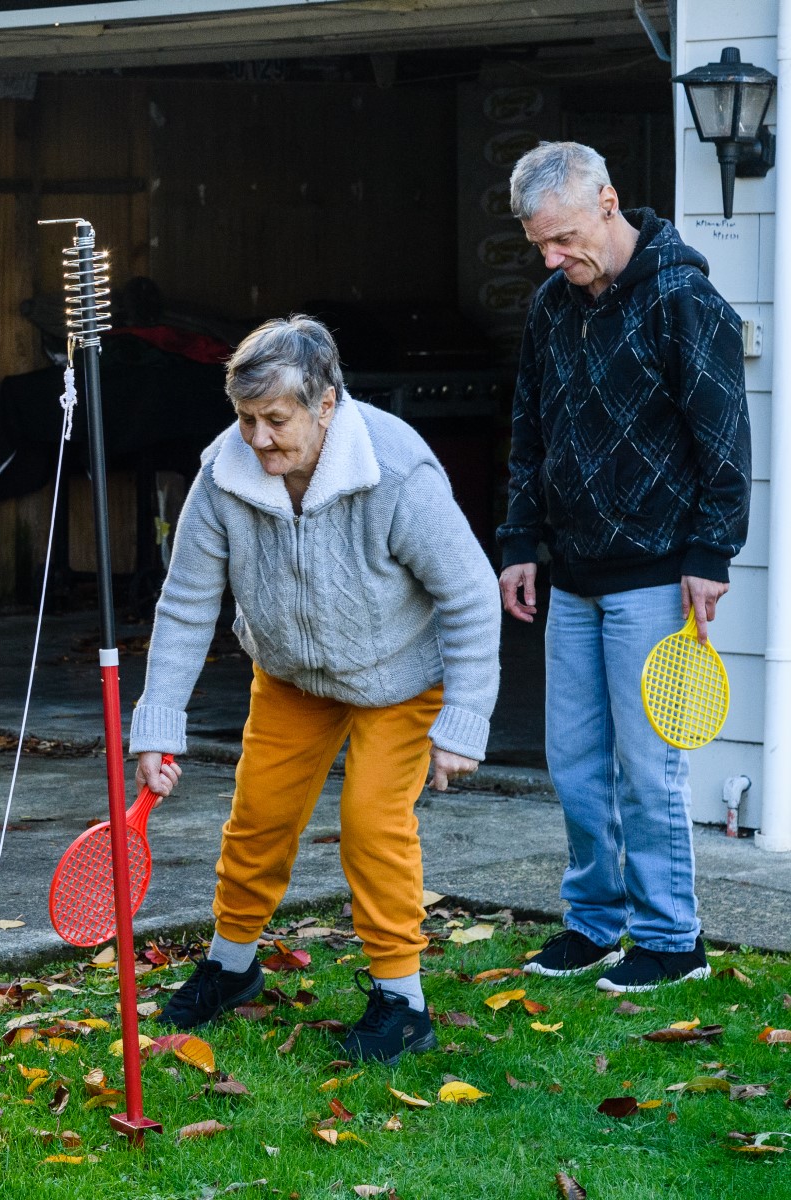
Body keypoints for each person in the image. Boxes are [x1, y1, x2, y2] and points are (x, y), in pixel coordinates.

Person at [129, 315, 500, 1063]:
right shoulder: (222, 475)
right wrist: (158, 722)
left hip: (400, 677)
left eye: (275, 420)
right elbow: (186, 603)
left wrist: (463, 719)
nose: (258, 439)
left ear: (326, 404)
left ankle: (403, 1001)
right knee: (259, 815)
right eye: (244, 419)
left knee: (371, 823)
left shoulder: (396, 472)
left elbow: (469, 593)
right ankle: (232, 969)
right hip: (294, 675)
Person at [500, 142, 750, 993]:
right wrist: (517, 543)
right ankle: (595, 923)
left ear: (608, 201)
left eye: (563, 238)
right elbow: (528, 431)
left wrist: (711, 551)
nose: (551, 257)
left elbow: (724, 438)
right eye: (539, 244)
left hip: (656, 575)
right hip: (569, 572)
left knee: (648, 769)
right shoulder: (549, 306)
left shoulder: (685, 298)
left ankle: (672, 938)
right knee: (573, 765)